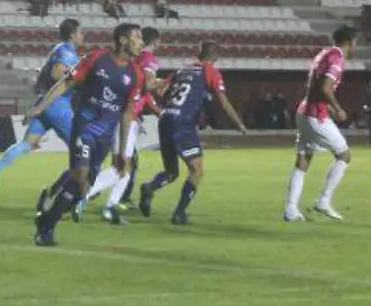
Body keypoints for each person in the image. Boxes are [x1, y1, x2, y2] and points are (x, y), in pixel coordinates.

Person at [27, 23, 145, 246]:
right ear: (122, 40)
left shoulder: (136, 74)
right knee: (80, 173)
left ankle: (46, 220)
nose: (141, 43)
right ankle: (46, 229)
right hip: (85, 127)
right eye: (137, 37)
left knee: (82, 189)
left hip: (105, 136)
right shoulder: (96, 59)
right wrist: (41, 107)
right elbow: (65, 84)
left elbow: (127, 114)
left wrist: (121, 152)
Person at [140, 41, 248, 225]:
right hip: (182, 123)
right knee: (197, 170)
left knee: (171, 171)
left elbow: (162, 89)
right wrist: (239, 124)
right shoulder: (210, 71)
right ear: (215, 56)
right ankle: (179, 213)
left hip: (166, 118)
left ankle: (150, 187)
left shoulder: (182, 69)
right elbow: (223, 102)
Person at [0, 19, 83, 197]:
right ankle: (71, 188)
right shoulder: (67, 52)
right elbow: (56, 74)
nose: (83, 36)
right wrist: (76, 81)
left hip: (44, 103)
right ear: (72, 34)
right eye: (80, 33)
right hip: (58, 105)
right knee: (80, 151)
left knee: (27, 144)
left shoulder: (58, 50)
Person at [79, 27, 164, 223]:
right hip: (126, 117)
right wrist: (168, 81)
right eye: (137, 37)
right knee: (122, 167)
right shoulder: (148, 60)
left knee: (124, 167)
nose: (140, 42)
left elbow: (140, 90)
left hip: (115, 115)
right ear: (155, 41)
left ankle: (109, 206)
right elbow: (147, 85)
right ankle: (81, 195)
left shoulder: (133, 61)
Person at [282, 25, 358, 222]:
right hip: (315, 115)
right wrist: (338, 108)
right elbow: (325, 87)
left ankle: (291, 209)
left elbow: (315, 86)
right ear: (349, 41)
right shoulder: (337, 57)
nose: (355, 47)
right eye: (355, 43)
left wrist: (329, 107)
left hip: (304, 111)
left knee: (303, 161)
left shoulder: (324, 53)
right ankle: (323, 201)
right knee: (344, 155)